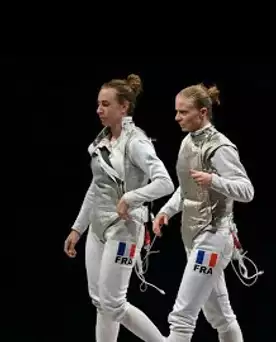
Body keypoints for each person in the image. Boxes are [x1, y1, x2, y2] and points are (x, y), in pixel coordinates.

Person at [63, 74, 175, 342]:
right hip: (99, 229)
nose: (99, 110)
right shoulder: (102, 141)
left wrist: (132, 197)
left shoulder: (136, 142)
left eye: (106, 104)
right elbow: (96, 187)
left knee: (114, 302)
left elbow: (165, 183)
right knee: (101, 302)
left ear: (123, 107)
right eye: (98, 104)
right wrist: (78, 228)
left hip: (125, 228)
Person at [153, 83, 255, 342]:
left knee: (182, 316)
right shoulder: (187, 142)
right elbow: (188, 188)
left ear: (202, 113)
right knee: (221, 317)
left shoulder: (220, 146)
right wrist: (167, 210)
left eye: (183, 112)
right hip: (193, 235)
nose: (177, 118)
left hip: (213, 237)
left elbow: (247, 190)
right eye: (176, 112)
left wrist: (215, 181)